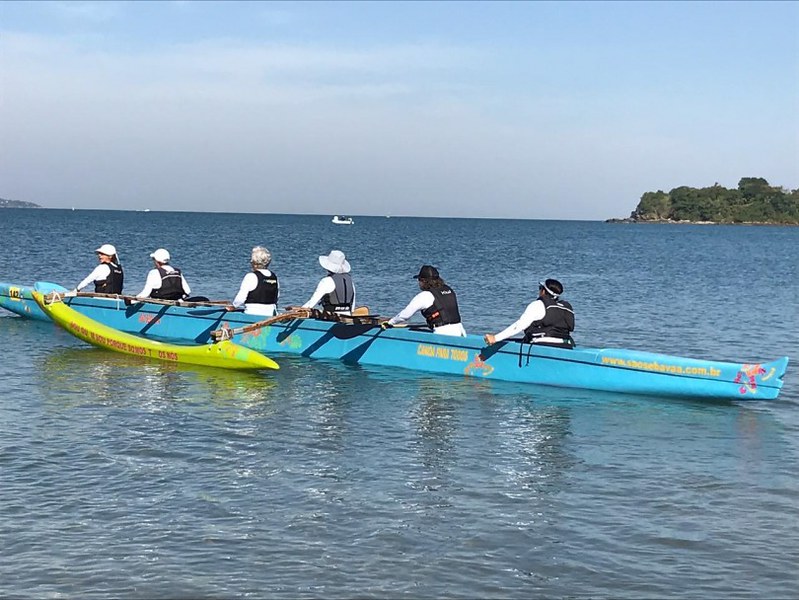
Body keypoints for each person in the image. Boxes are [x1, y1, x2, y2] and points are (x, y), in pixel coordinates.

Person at [483, 278, 575, 348]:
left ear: (543, 291)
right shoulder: (567, 307)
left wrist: (495, 338)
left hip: (543, 346)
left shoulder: (538, 305)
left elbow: (519, 326)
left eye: (540, 288)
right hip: (565, 346)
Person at [382, 265, 467, 337]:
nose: (418, 283)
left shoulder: (425, 296)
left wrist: (390, 322)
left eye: (419, 280)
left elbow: (405, 315)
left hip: (443, 333)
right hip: (460, 331)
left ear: (423, 281)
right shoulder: (449, 290)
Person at [227, 246, 279, 316]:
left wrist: (233, 306)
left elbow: (240, 298)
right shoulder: (274, 277)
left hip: (252, 313)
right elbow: (277, 297)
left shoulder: (250, 276)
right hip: (271, 314)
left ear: (253, 262)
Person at [302, 250, 355, 315]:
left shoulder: (326, 281)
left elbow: (312, 303)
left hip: (332, 316)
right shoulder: (350, 281)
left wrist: (301, 310)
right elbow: (352, 305)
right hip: (348, 315)